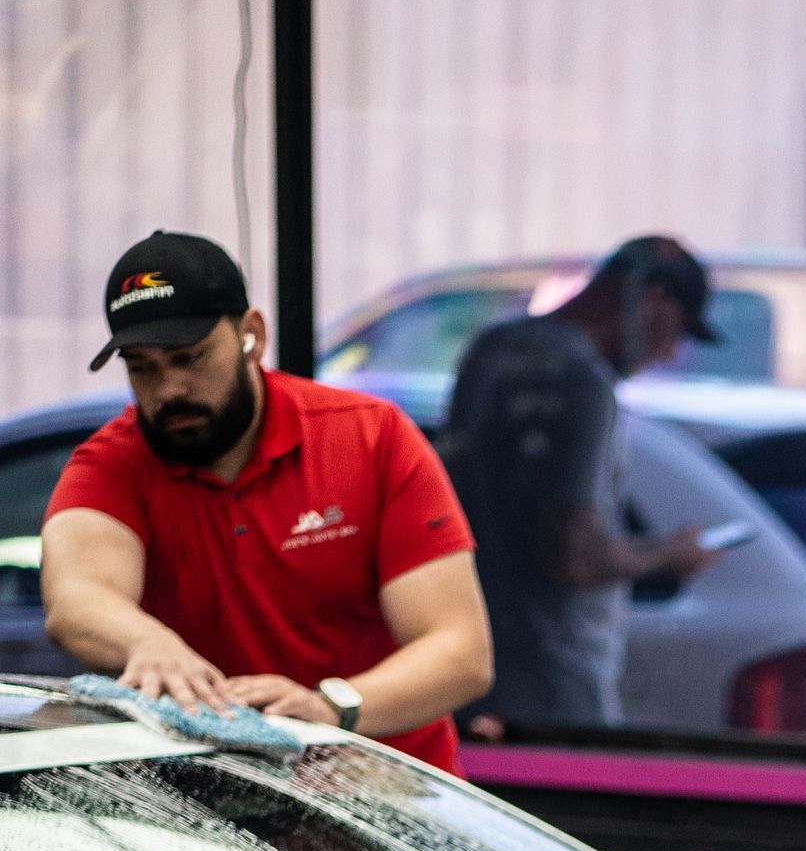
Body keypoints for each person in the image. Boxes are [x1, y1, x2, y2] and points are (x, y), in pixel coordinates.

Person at [42, 230, 491, 773]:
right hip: (220, 808)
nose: (168, 390)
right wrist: (147, 641)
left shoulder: (371, 438)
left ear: (252, 334)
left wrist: (329, 707)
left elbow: (461, 652)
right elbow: (76, 599)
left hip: (390, 799)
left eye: (189, 358)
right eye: (142, 367)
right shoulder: (112, 463)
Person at [445, 235, 720, 731]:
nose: (670, 352)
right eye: (679, 331)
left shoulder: (491, 349)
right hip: (556, 686)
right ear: (656, 298)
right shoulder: (584, 382)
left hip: (473, 671)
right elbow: (572, 555)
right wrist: (668, 554)